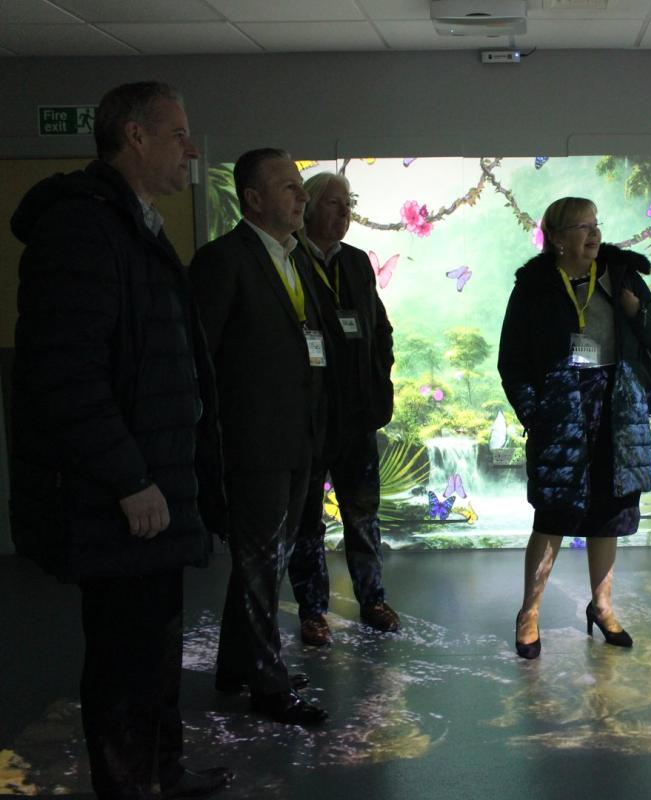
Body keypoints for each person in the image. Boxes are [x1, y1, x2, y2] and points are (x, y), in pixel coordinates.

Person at [9, 81, 232, 799]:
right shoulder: (81, 228)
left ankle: (159, 774)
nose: (191, 151)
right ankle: (131, 787)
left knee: (154, 653)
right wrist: (130, 480)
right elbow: (66, 377)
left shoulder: (132, 223)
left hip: (153, 487)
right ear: (134, 137)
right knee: (124, 661)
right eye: (178, 135)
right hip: (122, 499)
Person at [498, 196, 651, 659]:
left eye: (596, 224)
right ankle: (529, 613)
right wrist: (534, 412)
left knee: (609, 515)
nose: (594, 233)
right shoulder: (534, 286)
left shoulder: (622, 275)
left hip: (616, 409)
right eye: (582, 226)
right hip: (560, 410)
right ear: (556, 237)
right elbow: (511, 361)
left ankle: (601, 607)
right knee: (553, 514)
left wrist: (636, 310)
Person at [190, 149, 329, 726]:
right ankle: (269, 688)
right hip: (252, 445)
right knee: (258, 563)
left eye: (301, 188)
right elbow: (201, 361)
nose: (301, 197)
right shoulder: (223, 261)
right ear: (253, 198)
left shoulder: (294, 258)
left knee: (265, 563)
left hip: (295, 439)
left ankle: (235, 667)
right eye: (289, 188)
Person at [287, 172, 399, 647]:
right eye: (333, 203)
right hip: (308, 419)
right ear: (308, 207)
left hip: (356, 415)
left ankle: (372, 599)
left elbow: (380, 328)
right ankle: (313, 611)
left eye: (347, 203)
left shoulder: (355, 262)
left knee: (362, 513)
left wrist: (378, 380)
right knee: (306, 519)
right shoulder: (287, 258)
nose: (343, 212)